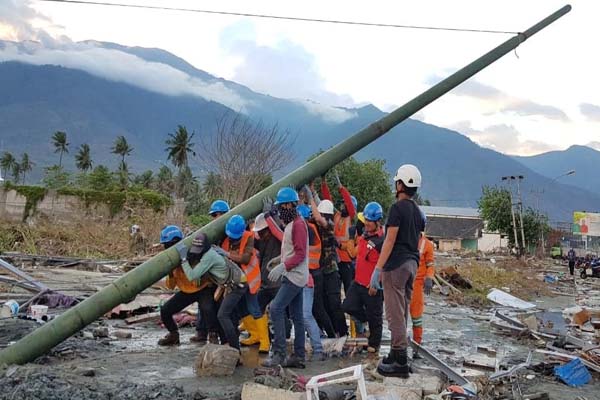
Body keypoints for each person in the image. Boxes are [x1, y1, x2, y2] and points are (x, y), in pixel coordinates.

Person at [369, 164, 424, 378]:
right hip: (412, 264)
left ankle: (400, 360)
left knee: (394, 313)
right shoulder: (418, 212)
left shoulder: (398, 208)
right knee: (402, 310)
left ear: (400, 184)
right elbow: (418, 239)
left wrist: (378, 269)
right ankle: (395, 352)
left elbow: (390, 239)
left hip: (396, 266)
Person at [176, 233, 248, 353]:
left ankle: (235, 350)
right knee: (226, 314)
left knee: (223, 315)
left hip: (237, 285)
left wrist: (184, 259)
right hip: (232, 282)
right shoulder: (209, 252)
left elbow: (192, 275)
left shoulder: (209, 257)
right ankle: (229, 344)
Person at [262, 187, 309, 368]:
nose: (280, 210)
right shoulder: (292, 223)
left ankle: (279, 354)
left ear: (290, 205)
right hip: (296, 275)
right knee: (297, 316)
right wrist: (279, 259)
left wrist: (284, 265)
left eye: (282, 206)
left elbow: (300, 254)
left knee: (275, 309)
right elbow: (291, 249)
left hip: (294, 276)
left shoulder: (298, 225)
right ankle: (298, 356)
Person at [157, 225, 219, 346]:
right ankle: (173, 334)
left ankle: (213, 336)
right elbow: (170, 286)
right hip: (186, 291)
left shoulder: (193, 252)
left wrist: (185, 260)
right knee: (165, 310)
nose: (166, 248)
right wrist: (170, 272)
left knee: (208, 309)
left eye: (168, 245)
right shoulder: (171, 261)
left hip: (203, 288)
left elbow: (197, 275)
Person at [216, 215, 267, 353]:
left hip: (250, 279)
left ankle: (265, 341)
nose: (233, 238)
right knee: (243, 309)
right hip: (237, 281)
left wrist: (226, 254)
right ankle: (255, 335)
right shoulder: (227, 240)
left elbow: (245, 258)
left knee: (254, 308)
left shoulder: (248, 237)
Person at [342, 202, 385, 354]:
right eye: (365, 220)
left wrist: (377, 284)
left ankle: (374, 348)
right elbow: (353, 254)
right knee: (347, 306)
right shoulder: (363, 237)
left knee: (376, 318)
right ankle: (366, 323)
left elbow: (385, 266)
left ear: (377, 222)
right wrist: (349, 238)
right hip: (358, 282)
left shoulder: (382, 242)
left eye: (369, 221)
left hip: (372, 286)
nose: (366, 223)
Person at [306, 184, 348, 337]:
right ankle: (327, 332)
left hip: (331, 272)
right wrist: (312, 193)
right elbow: (316, 213)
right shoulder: (315, 226)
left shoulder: (329, 226)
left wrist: (310, 197)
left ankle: (342, 332)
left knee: (334, 304)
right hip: (320, 271)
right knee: (321, 304)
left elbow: (318, 216)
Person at [242, 212, 280, 353]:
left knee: (278, 312)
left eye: (262, 231)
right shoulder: (263, 240)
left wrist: (271, 215)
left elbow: (278, 229)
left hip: (277, 282)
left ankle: (272, 341)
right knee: (256, 308)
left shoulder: (277, 238)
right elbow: (251, 240)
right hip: (265, 281)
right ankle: (259, 337)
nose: (261, 234)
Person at [297, 204, 326, 361]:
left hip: (308, 276)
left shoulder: (307, 230)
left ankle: (318, 347)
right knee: (302, 314)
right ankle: (313, 342)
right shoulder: (312, 228)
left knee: (306, 315)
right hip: (309, 274)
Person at [320, 175, 357, 295]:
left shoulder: (352, 218)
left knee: (348, 288)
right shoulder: (337, 215)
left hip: (346, 260)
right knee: (335, 289)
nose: (342, 206)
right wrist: (324, 184)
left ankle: (350, 311)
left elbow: (350, 205)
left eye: (344, 204)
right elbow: (328, 200)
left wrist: (341, 188)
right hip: (335, 259)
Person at [410, 210, 435, 348]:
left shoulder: (427, 245)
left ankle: (417, 345)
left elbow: (430, 264)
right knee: (399, 317)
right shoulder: (405, 241)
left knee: (416, 317)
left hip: (417, 284)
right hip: (403, 282)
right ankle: (398, 346)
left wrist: (429, 277)